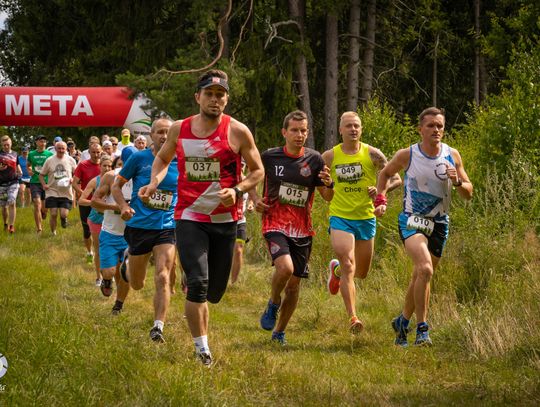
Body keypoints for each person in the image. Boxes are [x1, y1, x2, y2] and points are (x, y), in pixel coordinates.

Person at [140, 69, 264, 365]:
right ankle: (202, 350)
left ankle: (195, 278)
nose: (214, 99)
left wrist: (238, 189)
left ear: (226, 100)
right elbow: (162, 158)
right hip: (189, 216)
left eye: (220, 95)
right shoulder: (179, 129)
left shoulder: (238, 131)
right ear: (198, 97)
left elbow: (258, 170)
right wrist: (154, 181)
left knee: (216, 292)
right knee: (198, 284)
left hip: (225, 220)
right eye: (208, 94)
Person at [374, 107, 473, 347]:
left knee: (421, 275)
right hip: (412, 220)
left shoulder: (453, 155)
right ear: (420, 129)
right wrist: (381, 199)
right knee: (425, 269)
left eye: (439, 126)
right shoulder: (407, 155)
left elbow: (468, 193)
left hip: (439, 223)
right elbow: (384, 174)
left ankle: (402, 322)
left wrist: (457, 181)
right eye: (430, 125)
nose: (436, 130)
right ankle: (422, 330)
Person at [252, 110, 333, 345]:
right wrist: (255, 199)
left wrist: (329, 184)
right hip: (274, 222)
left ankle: (279, 332)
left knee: (295, 286)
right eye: (295, 130)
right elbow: (251, 176)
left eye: (304, 130)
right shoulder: (270, 157)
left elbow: (326, 196)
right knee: (285, 269)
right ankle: (273, 302)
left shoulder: (315, 159)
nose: (300, 135)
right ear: (284, 132)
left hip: (302, 230)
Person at [322, 111, 402, 334]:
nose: (353, 129)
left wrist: (380, 192)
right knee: (349, 263)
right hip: (340, 216)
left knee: (362, 272)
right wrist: (326, 186)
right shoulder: (330, 156)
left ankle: (336, 272)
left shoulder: (372, 154)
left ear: (361, 129)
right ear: (340, 130)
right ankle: (353, 318)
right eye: (348, 126)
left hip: (366, 217)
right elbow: (321, 186)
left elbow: (395, 178)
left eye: (356, 126)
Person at [112, 120, 177, 343]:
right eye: (160, 132)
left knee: (162, 275)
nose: (164, 136)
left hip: (166, 227)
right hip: (139, 226)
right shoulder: (139, 158)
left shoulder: (180, 160)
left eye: (168, 133)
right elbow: (116, 186)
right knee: (137, 284)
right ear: (151, 134)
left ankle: (158, 326)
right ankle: (127, 265)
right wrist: (123, 206)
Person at [91, 152, 132, 315]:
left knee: (126, 274)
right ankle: (106, 281)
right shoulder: (110, 177)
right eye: (125, 163)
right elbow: (94, 202)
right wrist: (117, 207)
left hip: (131, 236)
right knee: (110, 272)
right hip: (110, 233)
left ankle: (118, 305)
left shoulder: (143, 177)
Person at [79, 155, 113, 286]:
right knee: (98, 249)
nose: (107, 168)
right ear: (100, 167)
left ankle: (110, 274)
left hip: (111, 220)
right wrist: (95, 203)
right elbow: (81, 200)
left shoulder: (117, 181)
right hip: (96, 220)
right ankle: (99, 277)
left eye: (110, 166)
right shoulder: (95, 181)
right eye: (104, 165)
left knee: (110, 248)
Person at [39, 141, 77, 235]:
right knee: (53, 213)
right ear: (55, 149)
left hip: (66, 192)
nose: (61, 150)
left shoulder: (70, 160)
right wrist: (44, 185)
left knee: (63, 214)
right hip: (52, 191)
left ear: (66, 149)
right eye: (59, 148)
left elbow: (77, 174)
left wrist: (72, 179)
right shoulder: (49, 160)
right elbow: (41, 175)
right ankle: (53, 232)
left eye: (63, 148)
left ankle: (63, 219)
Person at [73, 143, 102, 263]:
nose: (96, 155)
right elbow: (74, 183)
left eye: (98, 152)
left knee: (102, 229)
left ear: (101, 152)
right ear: (89, 153)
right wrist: (82, 192)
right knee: (87, 229)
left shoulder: (106, 166)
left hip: (101, 204)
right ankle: (89, 252)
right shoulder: (83, 165)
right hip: (86, 202)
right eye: (93, 152)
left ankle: (99, 252)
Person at [230, 161, 254, 284]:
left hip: (240, 221)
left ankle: (233, 283)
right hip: (225, 221)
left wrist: (250, 205)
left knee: (238, 250)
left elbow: (251, 198)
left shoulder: (248, 181)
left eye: (243, 164)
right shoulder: (227, 179)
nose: (241, 166)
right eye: (238, 164)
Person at [27, 135, 53, 233]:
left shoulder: (50, 154)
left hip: (46, 183)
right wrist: (29, 170)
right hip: (35, 182)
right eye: (41, 141)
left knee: (45, 208)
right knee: (37, 204)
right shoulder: (31, 154)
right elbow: (28, 165)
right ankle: (39, 228)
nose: (43, 143)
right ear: (36, 142)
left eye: (44, 142)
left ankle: (44, 212)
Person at [0, 135, 22, 233]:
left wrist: (19, 170)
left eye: (7, 145)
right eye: (4, 145)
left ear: (11, 143)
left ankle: (11, 226)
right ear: (1, 144)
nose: (6, 147)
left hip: (13, 182)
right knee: (4, 207)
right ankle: (5, 223)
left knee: (12, 202)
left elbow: (17, 164)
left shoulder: (15, 154)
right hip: (1, 184)